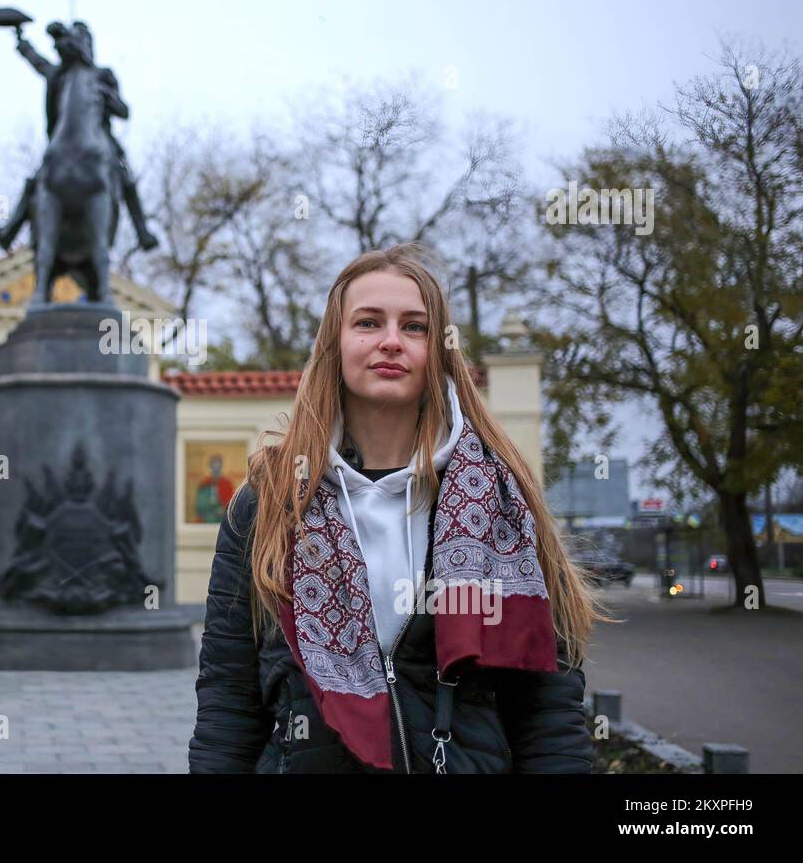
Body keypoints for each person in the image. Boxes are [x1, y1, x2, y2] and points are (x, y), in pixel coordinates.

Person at [188, 243, 616, 773]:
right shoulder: (270, 505)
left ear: (440, 349)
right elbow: (229, 700)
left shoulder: (503, 500)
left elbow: (547, 709)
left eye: (414, 327)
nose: (391, 341)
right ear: (334, 344)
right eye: (368, 323)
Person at [0, 20, 156, 252]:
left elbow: (124, 111)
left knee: (125, 178)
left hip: (100, 138)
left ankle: (143, 232)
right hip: (63, 142)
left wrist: (105, 96)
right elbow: (37, 62)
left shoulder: (103, 74)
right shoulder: (58, 75)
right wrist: (21, 41)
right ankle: (9, 231)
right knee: (36, 180)